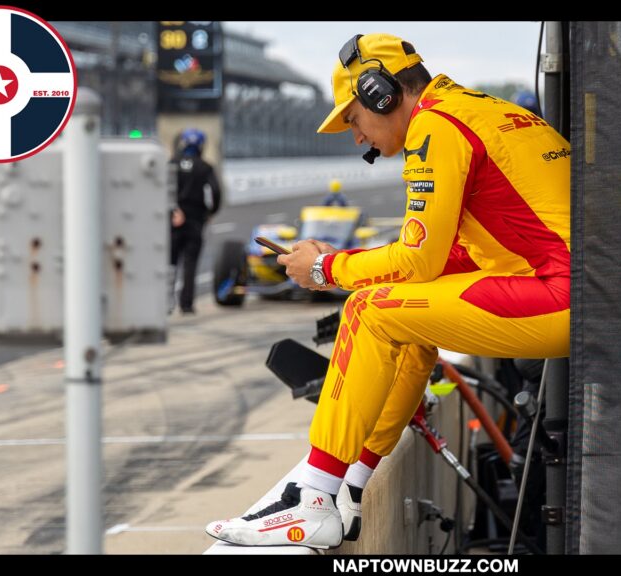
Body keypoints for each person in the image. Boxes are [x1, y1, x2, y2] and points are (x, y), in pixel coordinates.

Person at [205, 33, 570, 548]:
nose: (356, 137)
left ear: (381, 93)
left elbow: (418, 258)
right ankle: (351, 485)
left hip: (564, 296)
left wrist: (325, 268)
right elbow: (448, 260)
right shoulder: (483, 110)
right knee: (410, 322)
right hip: (587, 290)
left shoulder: (435, 126)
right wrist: (341, 264)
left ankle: (312, 497)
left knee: (369, 311)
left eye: (353, 119)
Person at [170, 128, 221, 314]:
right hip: (195, 219)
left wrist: (172, 210)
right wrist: (210, 212)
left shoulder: (171, 163)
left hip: (173, 219)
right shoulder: (205, 167)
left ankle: (165, 303)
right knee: (190, 263)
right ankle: (186, 304)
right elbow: (216, 192)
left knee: (169, 264)